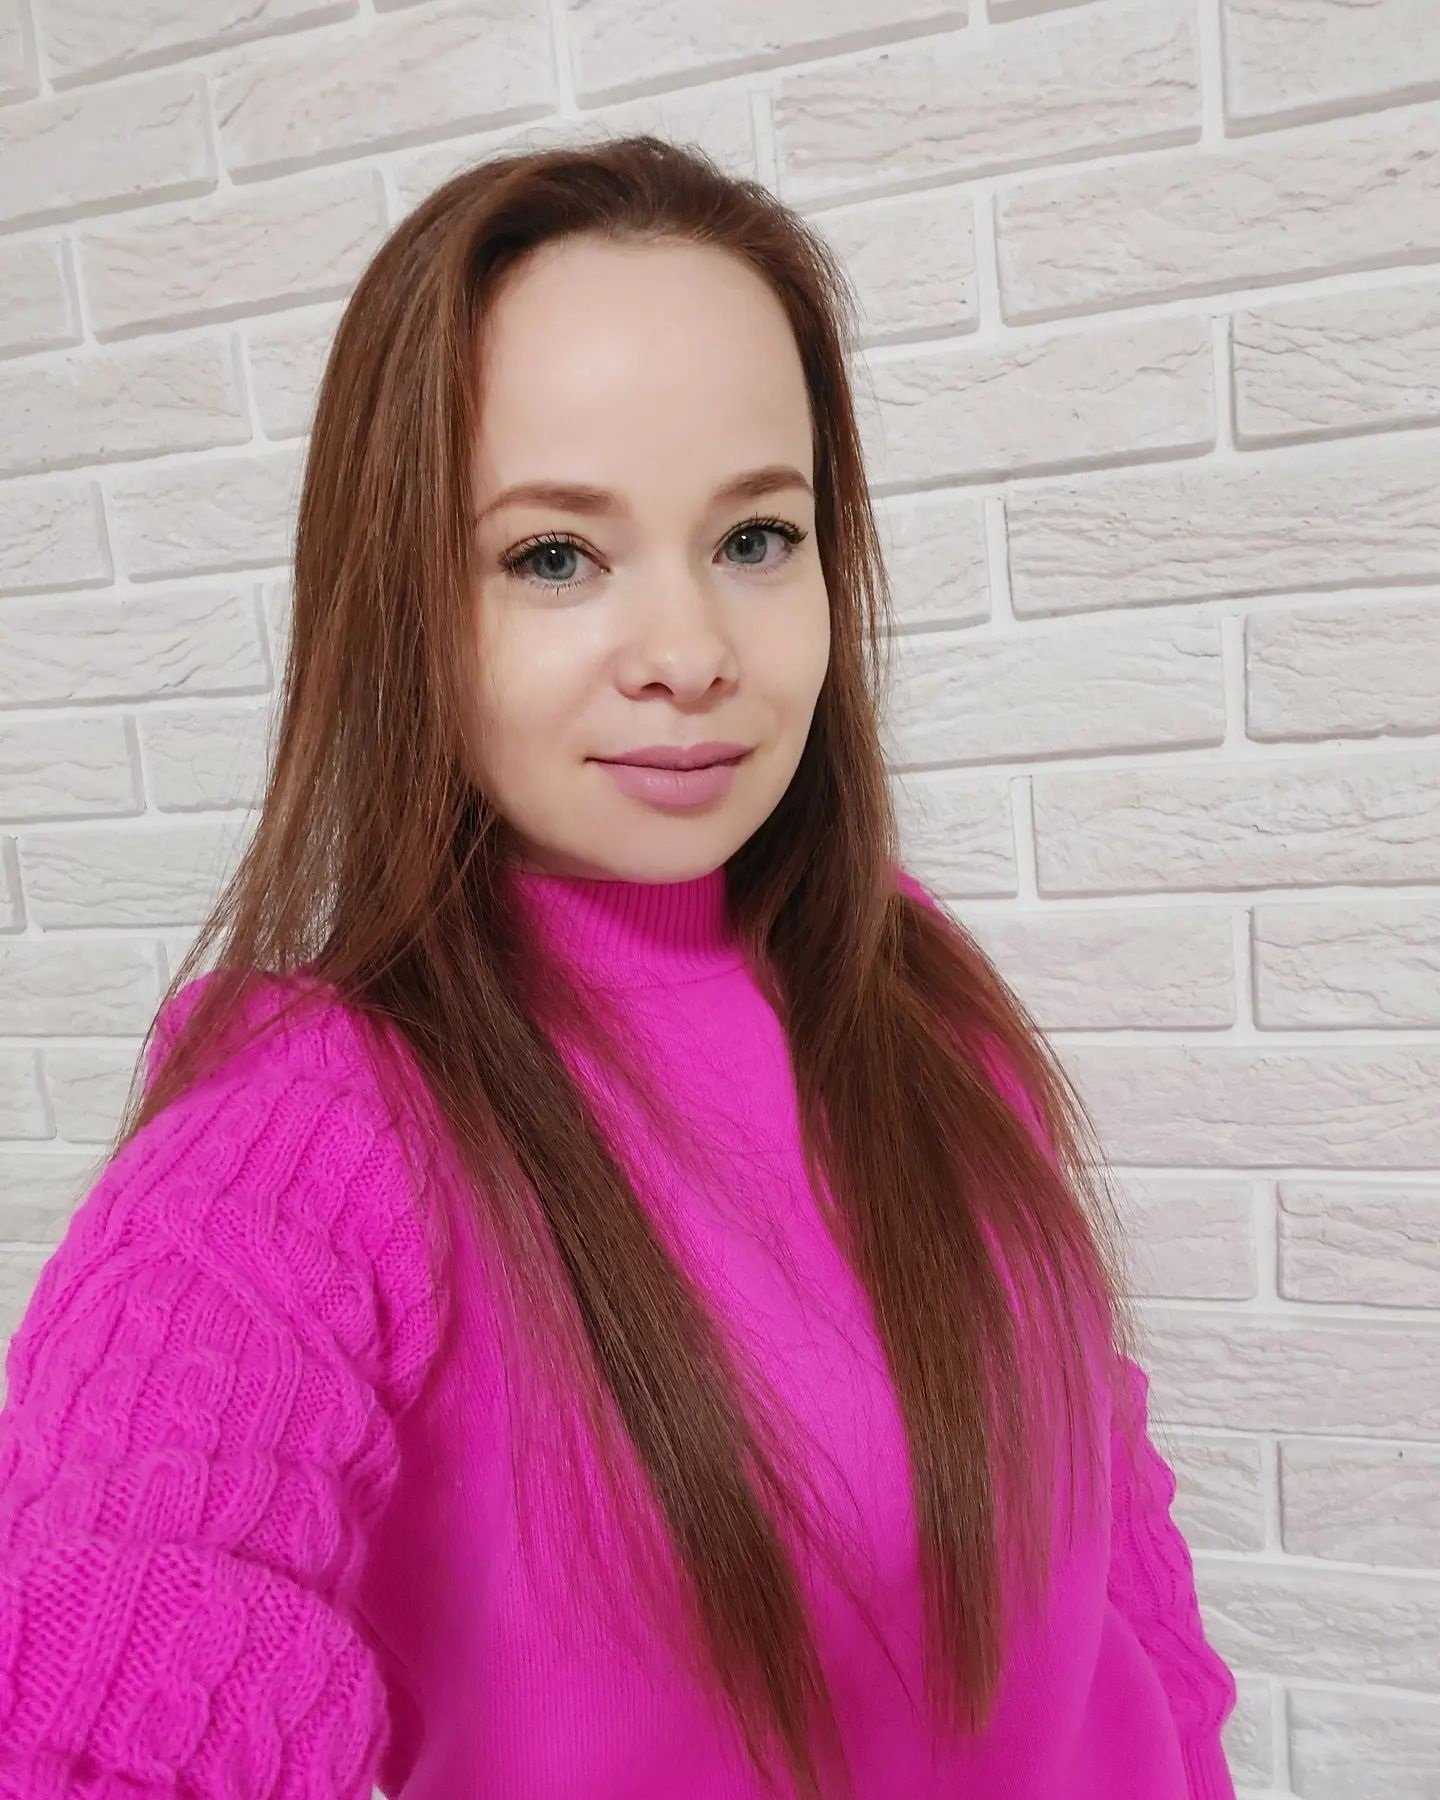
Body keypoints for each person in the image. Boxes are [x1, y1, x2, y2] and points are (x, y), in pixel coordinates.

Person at [0, 135, 1237, 1799]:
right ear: (405, 601)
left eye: (756, 538)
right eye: (555, 557)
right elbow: (100, 1669)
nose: (690, 653)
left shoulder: (914, 990)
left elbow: (1109, 1529)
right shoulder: (307, 1135)